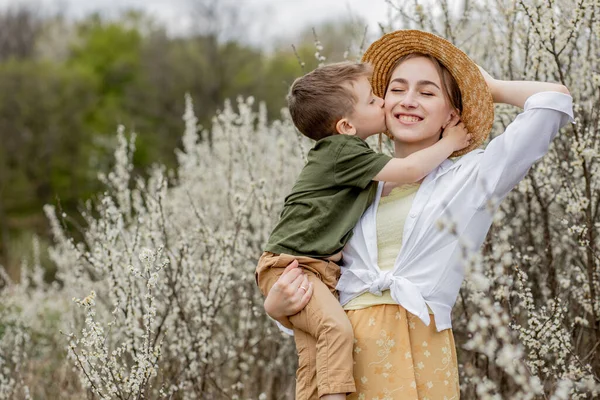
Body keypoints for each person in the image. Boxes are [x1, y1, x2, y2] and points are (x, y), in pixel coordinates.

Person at [263, 30, 573, 399]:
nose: (408, 101)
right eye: (396, 89)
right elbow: (320, 292)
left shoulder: (473, 176)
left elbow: (553, 102)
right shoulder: (354, 187)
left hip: (420, 347)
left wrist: (488, 86)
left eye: (427, 92)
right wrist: (278, 310)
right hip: (344, 361)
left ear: (451, 113)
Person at [256, 61, 472, 400]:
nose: (384, 102)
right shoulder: (345, 151)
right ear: (346, 125)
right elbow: (410, 169)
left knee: (315, 350)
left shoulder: (345, 153)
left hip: (304, 268)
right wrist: (451, 142)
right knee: (335, 331)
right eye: (373, 100)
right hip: (296, 266)